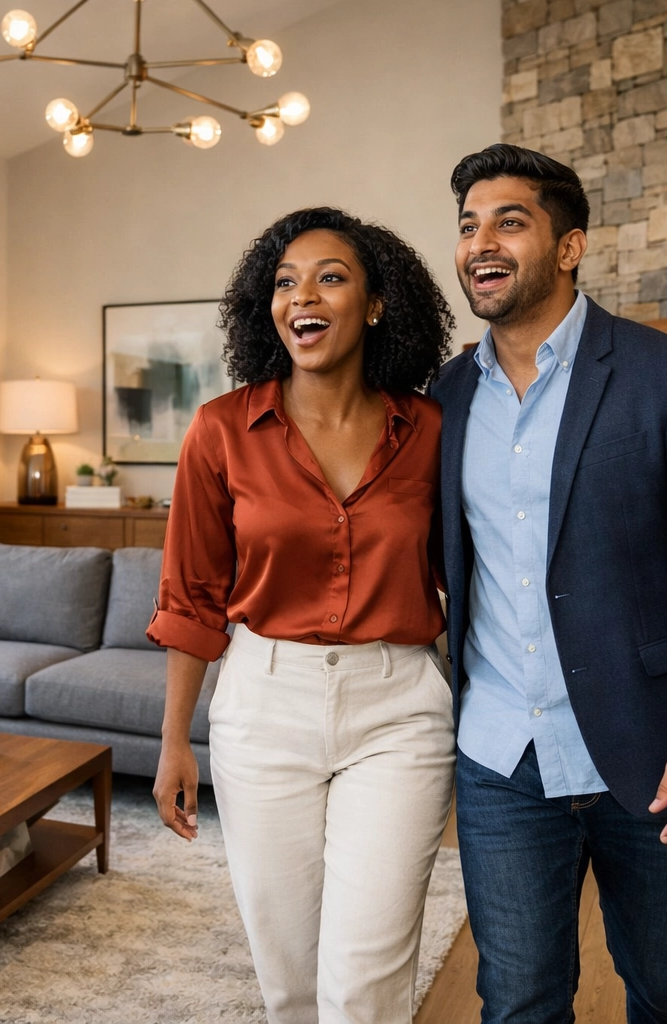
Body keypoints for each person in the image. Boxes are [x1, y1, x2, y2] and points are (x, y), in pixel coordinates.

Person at [432, 143, 667, 1024]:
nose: (483, 242)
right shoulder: (442, 399)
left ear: (570, 245)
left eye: (510, 221)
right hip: (500, 753)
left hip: (652, 749)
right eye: (470, 225)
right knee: (517, 1000)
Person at [148, 206, 457, 1024]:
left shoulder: (429, 430)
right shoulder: (220, 431)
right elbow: (191, 598)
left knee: (365, 984)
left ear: (377, 302)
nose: (302, 296)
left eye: (330, 276)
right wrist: (175, 741)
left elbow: (473, 575)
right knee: (288, 981)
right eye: (285, 282)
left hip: (398, 711)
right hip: (263, 703)